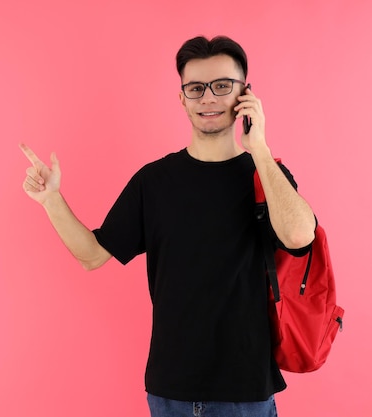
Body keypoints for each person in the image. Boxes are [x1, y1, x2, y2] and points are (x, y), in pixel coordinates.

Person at [19, 35, 316, 417]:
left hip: (246, 391)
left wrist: (257, 147)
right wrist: (51, 200)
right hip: (170, 391)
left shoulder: (266, 176)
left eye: (223, 86)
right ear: (182, 99)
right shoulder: (154, 182)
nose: (208, 98)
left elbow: (299, 236)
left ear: (246, 95)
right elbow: (92, 256)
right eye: (196, 89)